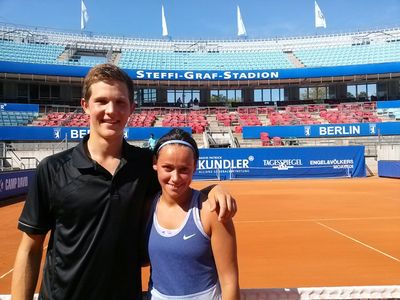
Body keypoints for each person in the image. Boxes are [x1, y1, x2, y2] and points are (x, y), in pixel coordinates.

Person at [11, 63, 237, 300]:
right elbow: (30, 249)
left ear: (132, 108)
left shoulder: (144, 166)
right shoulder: (52, 169)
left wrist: (214, 189)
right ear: (85, 106)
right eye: (101, 101)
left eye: (120, 102)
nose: (111, 110)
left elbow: (178, 189)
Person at [147, 128, 240, 299]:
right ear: (155, 163)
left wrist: (214, 188)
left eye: (184, 169)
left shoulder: (212, 212)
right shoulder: (146, 208)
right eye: (167, 168)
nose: (175, 178)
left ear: (195, 167)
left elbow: (229, 281)